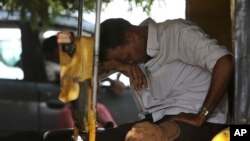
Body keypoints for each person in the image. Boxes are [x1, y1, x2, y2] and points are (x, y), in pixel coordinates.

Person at [57, 17, 234, 141]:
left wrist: (201, 116)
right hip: (152, 122)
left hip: (195, 121)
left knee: (146, 138)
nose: (129, 62)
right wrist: (117, 65)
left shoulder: (176, 33)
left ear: (131, 36)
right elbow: (81, 76)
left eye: (126, 58)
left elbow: (224, 62)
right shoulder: (129, 54)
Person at [42, 35, 119, 129]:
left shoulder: (99, 108)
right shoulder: (69, 113)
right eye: (61, 49)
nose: (66, 53)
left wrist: (102, 119)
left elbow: (114, 131)